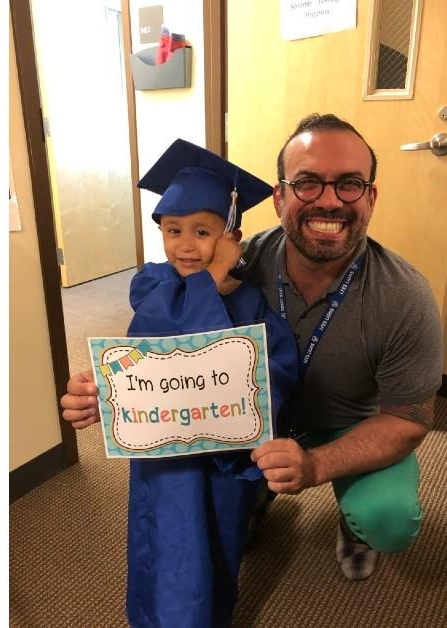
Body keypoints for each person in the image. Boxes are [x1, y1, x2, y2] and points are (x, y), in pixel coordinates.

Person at [62, 113, 442, 583]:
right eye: (307, 183)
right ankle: (257, 494)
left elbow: (409, 419)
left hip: (345, 424)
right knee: (212, 520)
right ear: (280, 196)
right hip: (246, 422)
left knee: (389, 517)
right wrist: (110, 391)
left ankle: (353, 520)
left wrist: (316, 464)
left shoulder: (403, 296)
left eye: (349, 183)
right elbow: (166, 350)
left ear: (371, 196)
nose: (328, 200)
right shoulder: (237, 262)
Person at [80, 138, 300, 628]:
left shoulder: (251, 306)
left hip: (220, 465)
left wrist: (214, 277)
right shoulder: (156, 288)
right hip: (163, 460)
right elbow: (147, 354)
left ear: (231, 236)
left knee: (214, 550)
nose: (184, 244)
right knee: (159, 543)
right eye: (172, 229)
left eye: (203, 231)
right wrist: (102, 389)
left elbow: (270, 379)